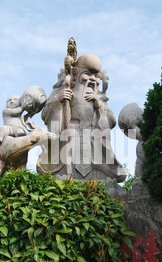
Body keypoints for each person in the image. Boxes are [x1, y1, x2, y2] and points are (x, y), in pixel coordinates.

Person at [37, 53, 126, 182]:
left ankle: (97, 179)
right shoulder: (63, 89)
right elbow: (45, 115)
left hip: (92, 137)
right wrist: (57, 100)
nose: (92, 79)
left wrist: (98, 104)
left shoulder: (100, 97)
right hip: (68, 137)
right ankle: (66, 177)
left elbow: (111, 120)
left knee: (94, 163)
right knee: (67, 159)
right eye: (87, 74)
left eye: (96, 76)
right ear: (75, 72)